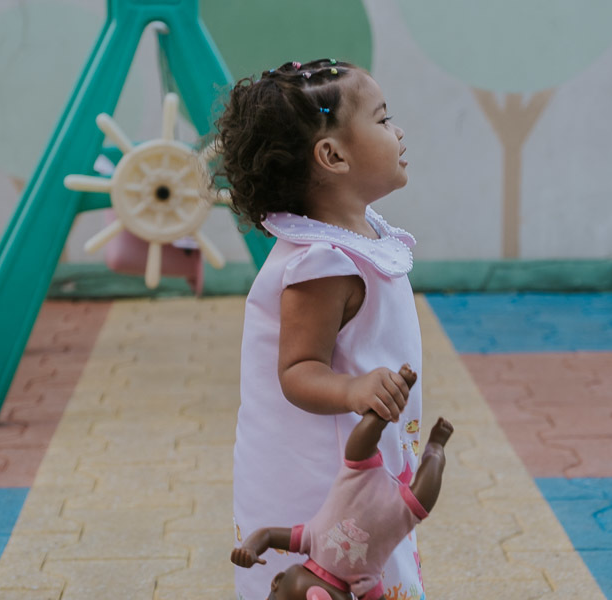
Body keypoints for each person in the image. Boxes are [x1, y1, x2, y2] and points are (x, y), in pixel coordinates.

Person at [216, 58, 422, 598]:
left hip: (357, 466)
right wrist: (354, 388)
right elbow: (297, 368)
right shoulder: (322, 262)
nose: (397, 131)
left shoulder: (358, 236)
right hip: (320, 480)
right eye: (382, 120)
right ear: (332, 156)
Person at [231, 366, 454, 600]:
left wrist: (250, 548)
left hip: (359, 477)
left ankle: (395, 394)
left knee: (359, 442)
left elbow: (267, 534)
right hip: (400, 512)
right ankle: (436, 449)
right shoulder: (363, 581)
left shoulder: (309, 538)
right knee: (423, 497)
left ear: (278, 581)